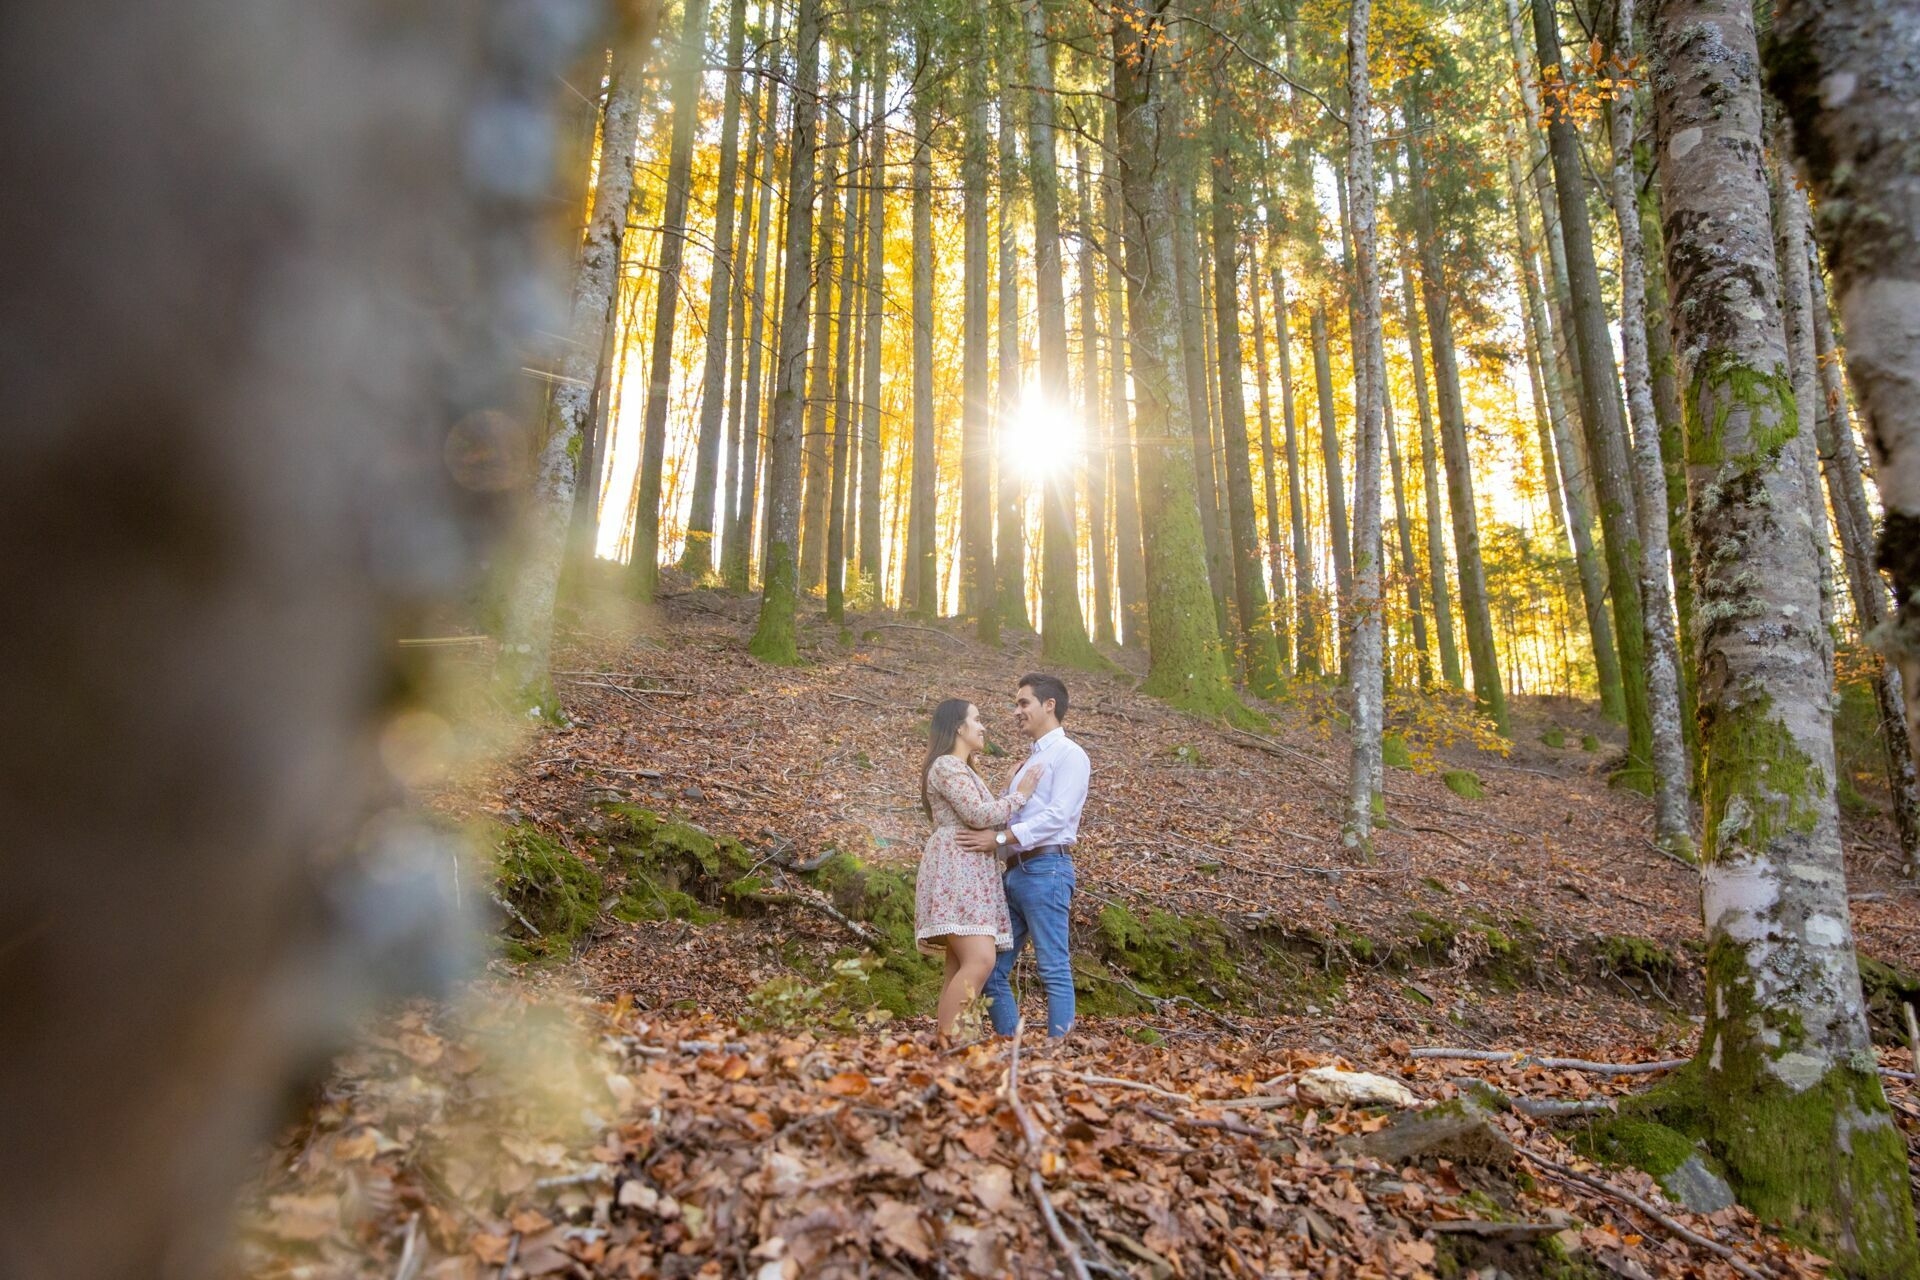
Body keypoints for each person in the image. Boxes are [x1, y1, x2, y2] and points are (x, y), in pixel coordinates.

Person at [960, 673, 1089, 1041]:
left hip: (1047, 869)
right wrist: (1006, 787)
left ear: (1049, 706)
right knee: (991, 970)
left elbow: (1058, 816)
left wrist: (1000, 837)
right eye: (1016, 704)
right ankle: (1011, 1049)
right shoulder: (1027, 763)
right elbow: (1012, 813)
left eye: (1023, 703)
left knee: (1053, 967)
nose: (1016, 711)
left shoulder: (1070, 755)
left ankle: (1057, 1051)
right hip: (1014, 873)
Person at [913, 699, 1044, 1044]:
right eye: (977, 719)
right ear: (959, 727)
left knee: (959, 965)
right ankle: (948, 1039)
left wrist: (1005, 789)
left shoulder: (964, 769)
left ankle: (949, 1042)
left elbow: (988, 814)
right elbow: (978, 815)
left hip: (971, 867)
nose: (983, 726)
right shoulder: (946, 765)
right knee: (981, 959)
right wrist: (1020, 795)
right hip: (957, 866)